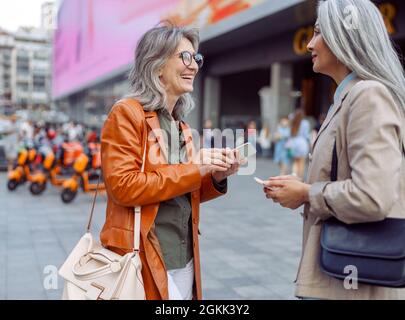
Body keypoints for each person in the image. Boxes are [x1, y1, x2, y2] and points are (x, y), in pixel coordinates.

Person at [262, 0, 405, 299]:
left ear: (344, 37)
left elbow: (371, 197)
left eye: (318, 33)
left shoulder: (368, 96)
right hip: (342, 276)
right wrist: (302, 189)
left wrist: (305, 193)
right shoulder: (350, 97)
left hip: (350, 282)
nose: (309, 44)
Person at [100, 24, 241, 300]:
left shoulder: (181, 125)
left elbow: (183, 190)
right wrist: (195, 167)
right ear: (157, 64)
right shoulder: (127, 114)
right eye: (185, 57)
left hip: (185, 256)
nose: (194, 66)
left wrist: (216, 177)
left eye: (196, 59)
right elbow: (123, 187)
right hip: (142, 255)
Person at [285, 108, 311, 179]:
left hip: (294, 143)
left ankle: (294, 176)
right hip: (302, 143)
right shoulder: (305, 123)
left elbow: (288, 133)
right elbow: (306, 135)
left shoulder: (293, 121)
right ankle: (300, 178)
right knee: (301, 163)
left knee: (295, 162)